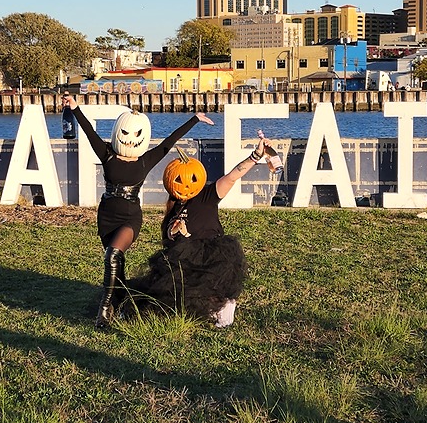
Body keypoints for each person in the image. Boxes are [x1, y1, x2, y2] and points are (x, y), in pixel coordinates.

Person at [62, 94, 213, 326]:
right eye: (125, 134)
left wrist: (194, 119)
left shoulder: (145, 160)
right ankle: (124, 306)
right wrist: (75, 109)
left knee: (113, 255)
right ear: (117, 132)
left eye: (136, 135)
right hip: (107, 217)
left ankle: (104, 311)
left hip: (130, 218)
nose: (130, 139)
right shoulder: (107, 154)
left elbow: (168, 143)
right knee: (116, 267)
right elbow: (89, 132)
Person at [123, 132, 273, 328]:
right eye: (178, 180)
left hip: (210, 252)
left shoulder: (207, 196)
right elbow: (169, 243)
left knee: (210, 280)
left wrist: (255, 156)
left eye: (190, 179)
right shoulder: (173, 208)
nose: (184, 185)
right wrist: (177, 232)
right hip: (185, 259)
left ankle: (222, 304)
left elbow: (233, 176)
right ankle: (207, 306)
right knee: (166, 294)